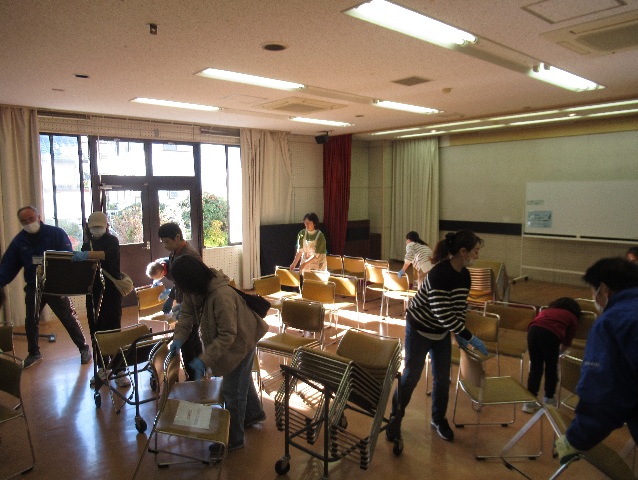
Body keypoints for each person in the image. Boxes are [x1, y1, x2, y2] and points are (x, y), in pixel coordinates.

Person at [387, 230, 488, 443]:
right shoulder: (439, 274)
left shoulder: (465, 275)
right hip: (419, 329)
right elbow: (443, 314)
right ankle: (395, 417)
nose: (477, 256)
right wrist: (469, 336)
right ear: (463, 252)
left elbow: (459, 308)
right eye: (475, 251)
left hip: (440, 332)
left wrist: (460, 332)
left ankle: (438, 419)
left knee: (442, 379)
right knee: (411, 376)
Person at [168, 255, 268, 452]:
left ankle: (234, 439)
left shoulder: (221, 296)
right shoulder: (194, 290)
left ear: (190, 279)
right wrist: (178, 339)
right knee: (240, 381)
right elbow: (187, 315)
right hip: (234, 337)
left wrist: (204, 360)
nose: (179, 289)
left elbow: (228, 335)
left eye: (180, 284)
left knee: (232, 391)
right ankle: (253, 414)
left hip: (242, 340)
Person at [555, 257, 638, 465]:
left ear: (604, 289)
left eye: (593, 291)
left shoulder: (612, 323)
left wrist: (575, 439)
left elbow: (603, 394)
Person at [0, 205, 91, 369]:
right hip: (34, 286)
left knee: (68, 317)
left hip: (55, 286)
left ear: (38, 217)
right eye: (24, 221)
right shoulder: (20, 241)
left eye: (31, 219)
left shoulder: (56, 234)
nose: (28, 223)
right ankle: (34, 353)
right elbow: (8, 266)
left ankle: (84, 349)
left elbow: (67, 258)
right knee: (31, 320)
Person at [73, 211, 129, 387]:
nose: (96, 230)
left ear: (106, 226)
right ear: (88, 228)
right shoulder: (87, 244)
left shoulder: (112, 241)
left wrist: (87, 255)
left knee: (114, 329)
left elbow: (107, 255)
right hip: (93, 293)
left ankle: (120, 370)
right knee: (96, 331)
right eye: (93, 227)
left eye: (100, 227)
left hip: (111, 293)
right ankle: (102, 367)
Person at [158, 222, 202, 379]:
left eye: (167, 242)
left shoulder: (189, 255)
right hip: (185, 302)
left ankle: (194, 376)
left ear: (177, 237)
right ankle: (199, 372)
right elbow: (178, 281)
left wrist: (186, 306)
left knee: (187, 341)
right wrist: (171, 297)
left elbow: (196, 284)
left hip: (192, 304)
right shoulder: (175, 252)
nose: (165, 246)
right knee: (193, 338)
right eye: (163, 242)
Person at [522, 297, 580, 413]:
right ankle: (549, 398)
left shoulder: (547, 311)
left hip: (533, 331)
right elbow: (568, 339)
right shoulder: (572, 317)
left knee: (535, 368)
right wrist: (560, 351)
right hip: (551, 335)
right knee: (551, 368)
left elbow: (539, 322)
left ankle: (529, 402)